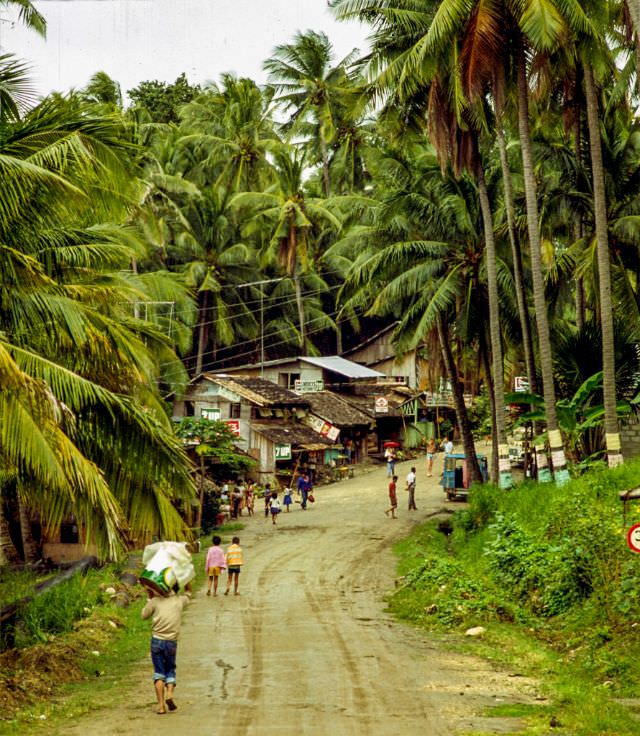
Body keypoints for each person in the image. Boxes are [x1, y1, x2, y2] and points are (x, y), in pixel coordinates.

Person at [141, 583, 191, 714]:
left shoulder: (155, 601)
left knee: (159, 672)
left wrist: (150, 596)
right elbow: (188, 594)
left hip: (157, 641)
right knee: (170, 669)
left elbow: (144, 615)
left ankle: (161, 706)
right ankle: (169, 693)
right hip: (171, 643)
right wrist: (187, 582)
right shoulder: (179, 601)